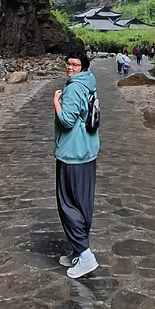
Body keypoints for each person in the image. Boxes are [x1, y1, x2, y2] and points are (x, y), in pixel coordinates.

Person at [53, 52, 100, 278]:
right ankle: (77, 250)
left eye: (75, 64)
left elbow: (67, 120)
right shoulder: (89, 83)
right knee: (82, 204)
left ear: (83, 67)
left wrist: (56, 103)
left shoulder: (72, 88)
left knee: (68, 204)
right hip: (87, 152)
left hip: (72, 154)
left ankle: (85, 256)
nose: (70, 67)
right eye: (68, 63)